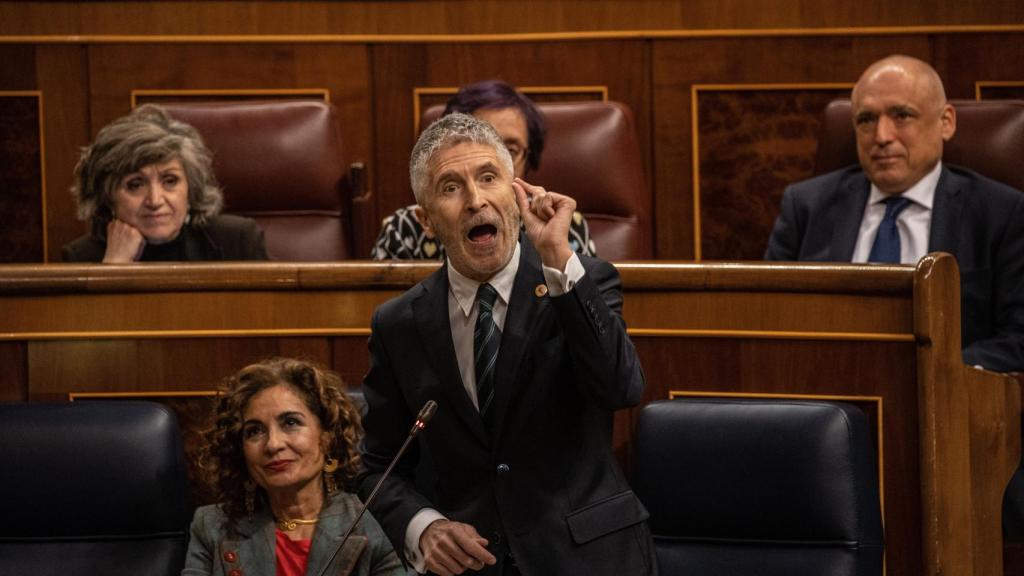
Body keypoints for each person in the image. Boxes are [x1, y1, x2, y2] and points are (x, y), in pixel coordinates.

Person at [359, 113, 655, 575]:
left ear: (515, 194)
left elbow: (622, 390)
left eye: (489, 178)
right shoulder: (399, 324)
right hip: (474, 566)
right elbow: (377, 465)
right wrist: (424, 527)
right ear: (427, 221)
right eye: (451, 187)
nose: (476, 200)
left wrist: (558, 258)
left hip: (590, 559)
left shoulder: (579, 282)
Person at [765, 54, 1024, 373]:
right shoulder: (806, 205)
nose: (882, 136)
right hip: (824, 397)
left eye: (902, 115)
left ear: (946, 122)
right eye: (866, 120)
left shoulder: (1003, 213)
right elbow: (768, 320)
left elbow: (1017, 339)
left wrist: (926, 372)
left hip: (941, 401)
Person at [183, 358, 410, 576]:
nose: (273, 444)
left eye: (290, 423)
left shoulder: (373, 521)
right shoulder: (212, 526)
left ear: (327, 436)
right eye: (254, 431)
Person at [370, 80, 596, 260]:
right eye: (478, 146)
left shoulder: (560, 225)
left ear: (529, 161)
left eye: (509, 149)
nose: (477, 200)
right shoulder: (404, 230)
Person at [62, 104, 269, 263]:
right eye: (135, 185)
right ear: (107, 198)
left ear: (190, 188)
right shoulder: (81, 258)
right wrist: (114, 268)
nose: (155, 200)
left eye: (170, 181)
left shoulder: (238, 241)